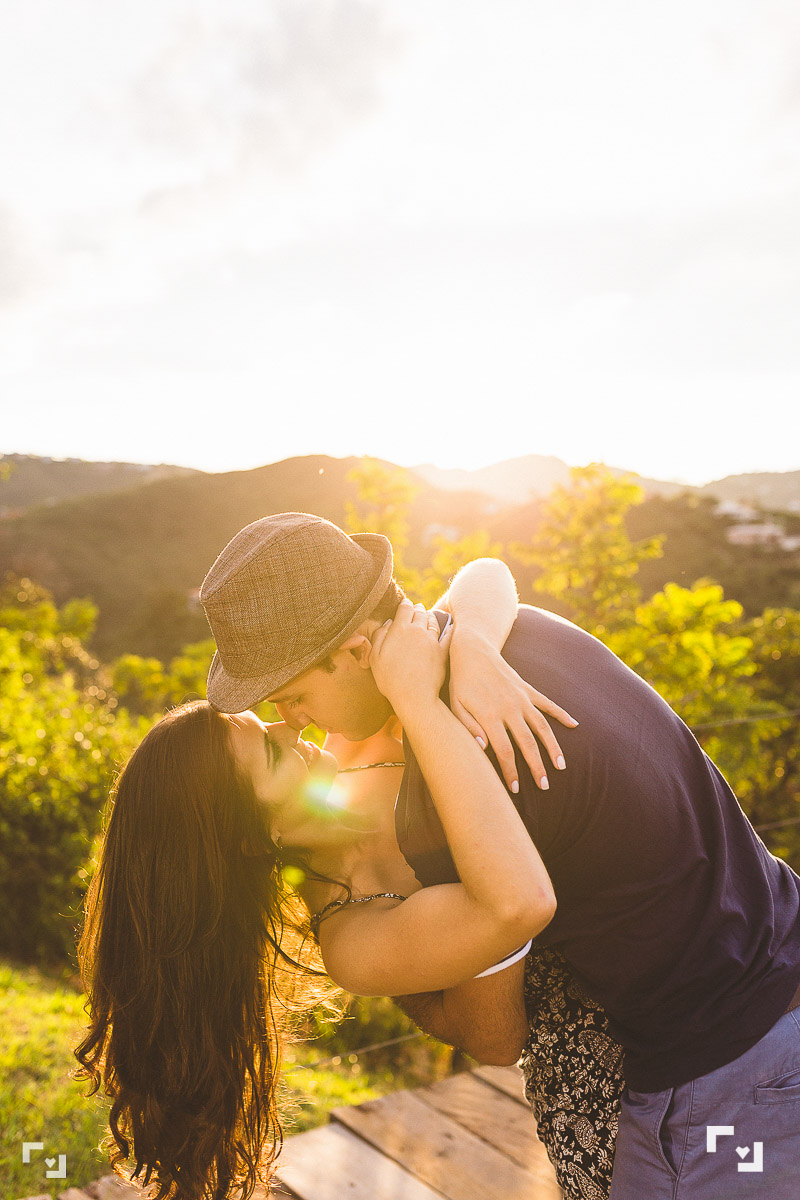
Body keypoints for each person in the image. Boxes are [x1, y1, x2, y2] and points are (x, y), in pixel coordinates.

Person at [200, 511, 800, 1200]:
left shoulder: (452, 793)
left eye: (295, 697)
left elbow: (492, 1031)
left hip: (733, 1081)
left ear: (359, 652)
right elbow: (486, 575)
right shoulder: (520, 629)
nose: (297, 722)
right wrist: (471, 644)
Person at [74, 563, 566, 1200]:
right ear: (260, 837)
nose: (292, 726)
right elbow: (497, 1029)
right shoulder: (352, 932)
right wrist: (419, 703)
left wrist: (468, 645)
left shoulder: (351, 737)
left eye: (267, 722)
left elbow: (485, 574)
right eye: (273, 751)